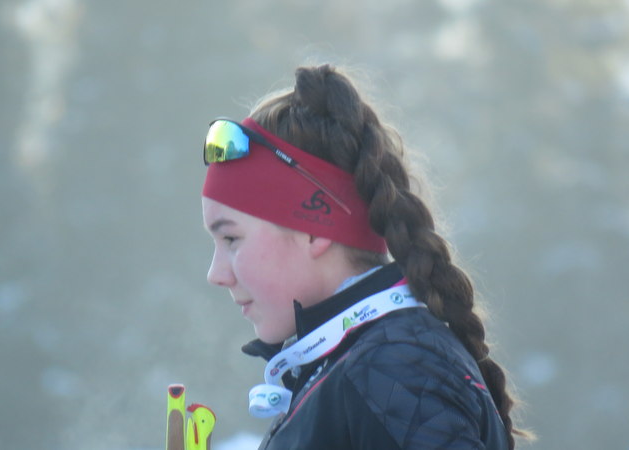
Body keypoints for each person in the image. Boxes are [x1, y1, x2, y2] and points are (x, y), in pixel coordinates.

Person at [201, 64, 527, 449]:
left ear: (313, 230)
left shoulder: (395, 367)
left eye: (232, 238)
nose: (216, 274)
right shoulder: (360, 364)